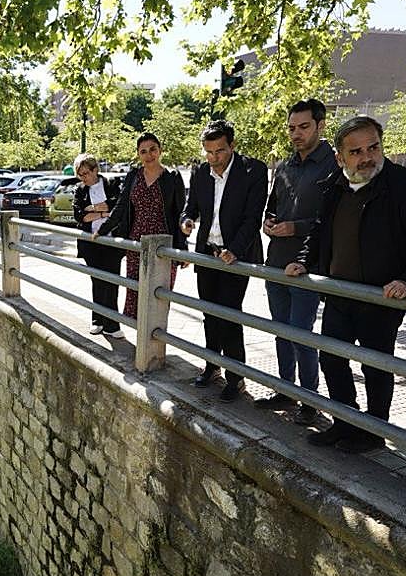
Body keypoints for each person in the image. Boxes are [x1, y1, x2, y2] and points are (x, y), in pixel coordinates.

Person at [286, 116, 406, 453]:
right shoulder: (334, 186)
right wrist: (304, 260)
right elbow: (319, 231)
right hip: (340, 295)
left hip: (382, 298)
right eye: (356, 151)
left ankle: (373, 431)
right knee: (331, 358)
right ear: (341, 157)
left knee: (375, 365)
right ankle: (345, 423)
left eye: (373, 147)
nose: (367, 157)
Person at [256, 99, 337, 424]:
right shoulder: (285, 166)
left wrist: (296, 227)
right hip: (276, 260)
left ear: (320, 125)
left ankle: (310, 400)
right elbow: (272, 205)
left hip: (308, 265)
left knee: (301, 333)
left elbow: (330, 220)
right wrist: (269, 222)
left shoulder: (334, 164)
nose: (296, 134)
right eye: (292, 128)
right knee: (280, 331)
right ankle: (286, 390)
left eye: (303, 127)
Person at [181, 120, 268, 402]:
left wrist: (235, 250)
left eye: (219, 151)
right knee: (209, 313)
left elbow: (252, 218)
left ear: (232, 145)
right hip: (207, 252)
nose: (213, 158)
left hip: (236, 257)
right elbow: (191, 206)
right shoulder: (200, 171)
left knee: (230, 315)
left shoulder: (253, 170)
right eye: (208, 151)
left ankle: (236, 378)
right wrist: (187, 219)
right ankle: (211, 366)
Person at [102, 133, 187, 321]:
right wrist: (103, 229)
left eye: (153, 150)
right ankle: (140, 344)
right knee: (136, 292)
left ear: (160, 150)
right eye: (143, 151)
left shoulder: (172, 177)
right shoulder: (133, 176)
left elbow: (180, 212)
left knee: (159, 294)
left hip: (163, 244)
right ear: (138, 155)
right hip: (137, 243)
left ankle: (156, 341)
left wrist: (183, 248)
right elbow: (122, 206)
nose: (149, 155)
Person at [72, 153, 125, 338]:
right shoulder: (79, 190)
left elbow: (118, 208)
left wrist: (92, 210)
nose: (83, 178)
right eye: (80, 174)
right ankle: (97, 321)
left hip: (111, 242)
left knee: (112, 281)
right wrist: (102, 212)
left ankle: (113, 324)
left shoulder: (111, 185)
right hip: (91, 243)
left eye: (86, 173)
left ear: (95, 170)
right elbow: (80, 216)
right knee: (97, 281)